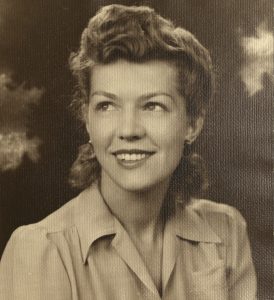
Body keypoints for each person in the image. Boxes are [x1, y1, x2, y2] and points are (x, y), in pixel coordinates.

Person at [0, 4, 257, 299]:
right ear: (87, 119)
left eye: (152, 106)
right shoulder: (40, 250)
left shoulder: (226, 232)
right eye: (107, 106)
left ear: (192, 124)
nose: (128, 130)